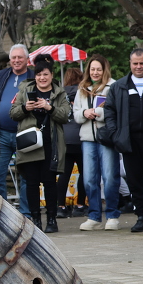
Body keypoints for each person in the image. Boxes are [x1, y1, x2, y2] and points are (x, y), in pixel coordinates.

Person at [10, 54, 71, 232]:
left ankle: (52, 220)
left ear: (51, 75)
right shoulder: (24, 90)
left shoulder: (59, 93)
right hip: (29, 144)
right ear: (34, 76)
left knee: (50, 182)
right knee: (31, 183)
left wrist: (49, 107)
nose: (42, 78)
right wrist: (25, 108)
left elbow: (66, 116)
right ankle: (35, 220)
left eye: (45, 74)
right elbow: (13, 113)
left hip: (50, 144)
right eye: (38, 75)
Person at [103, 48, 143, 232]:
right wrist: (115, 134)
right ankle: (141, 217)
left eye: (142, 63)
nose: (138, 67)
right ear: (130, 64)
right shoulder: (119, 86)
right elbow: (109, 110)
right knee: (135, 181)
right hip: (129, 141)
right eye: (135, 63)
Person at [74, 56, 120, 231]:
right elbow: (75, 113)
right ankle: (94, 216)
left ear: (104, 70)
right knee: (89, 179)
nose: (95, 72)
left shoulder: (113, 87)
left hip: (106, 138)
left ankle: (112, 215)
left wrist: (99, 113)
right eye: (92, 69)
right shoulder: (81, 88)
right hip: (87, 139)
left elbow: (116, 110)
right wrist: (85, 113)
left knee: (110, 177)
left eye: (98, 69)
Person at [0, 45, 34, 213]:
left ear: (27, 59)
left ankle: (26, 213)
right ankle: (2, 213)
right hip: (1, 134)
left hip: (25, 134)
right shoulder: (0, 76)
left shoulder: (34, 77)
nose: (16, 60)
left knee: (27, 176)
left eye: (20, 57)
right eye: (13, 57)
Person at [56, 67, 86, 218]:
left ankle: (60, 206)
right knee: (84, 173)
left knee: (64, 174)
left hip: (65, 139)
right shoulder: (83, 93)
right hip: (81, 138)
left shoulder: (60, 94)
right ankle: (80, 205)